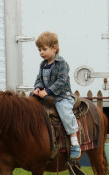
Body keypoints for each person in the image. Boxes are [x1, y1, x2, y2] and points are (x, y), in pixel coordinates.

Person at [33, 31, 81, 160]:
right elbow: (39, 79)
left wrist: (48, 91)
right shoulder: (43, 65)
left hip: (61, 96)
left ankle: (74, 141)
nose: (41, 52)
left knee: (65, 113)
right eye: (39, 50)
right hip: (47, 97)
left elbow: (62, 81)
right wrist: (37, 88)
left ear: (54, 48)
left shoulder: (62, 63)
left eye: (44, 49)